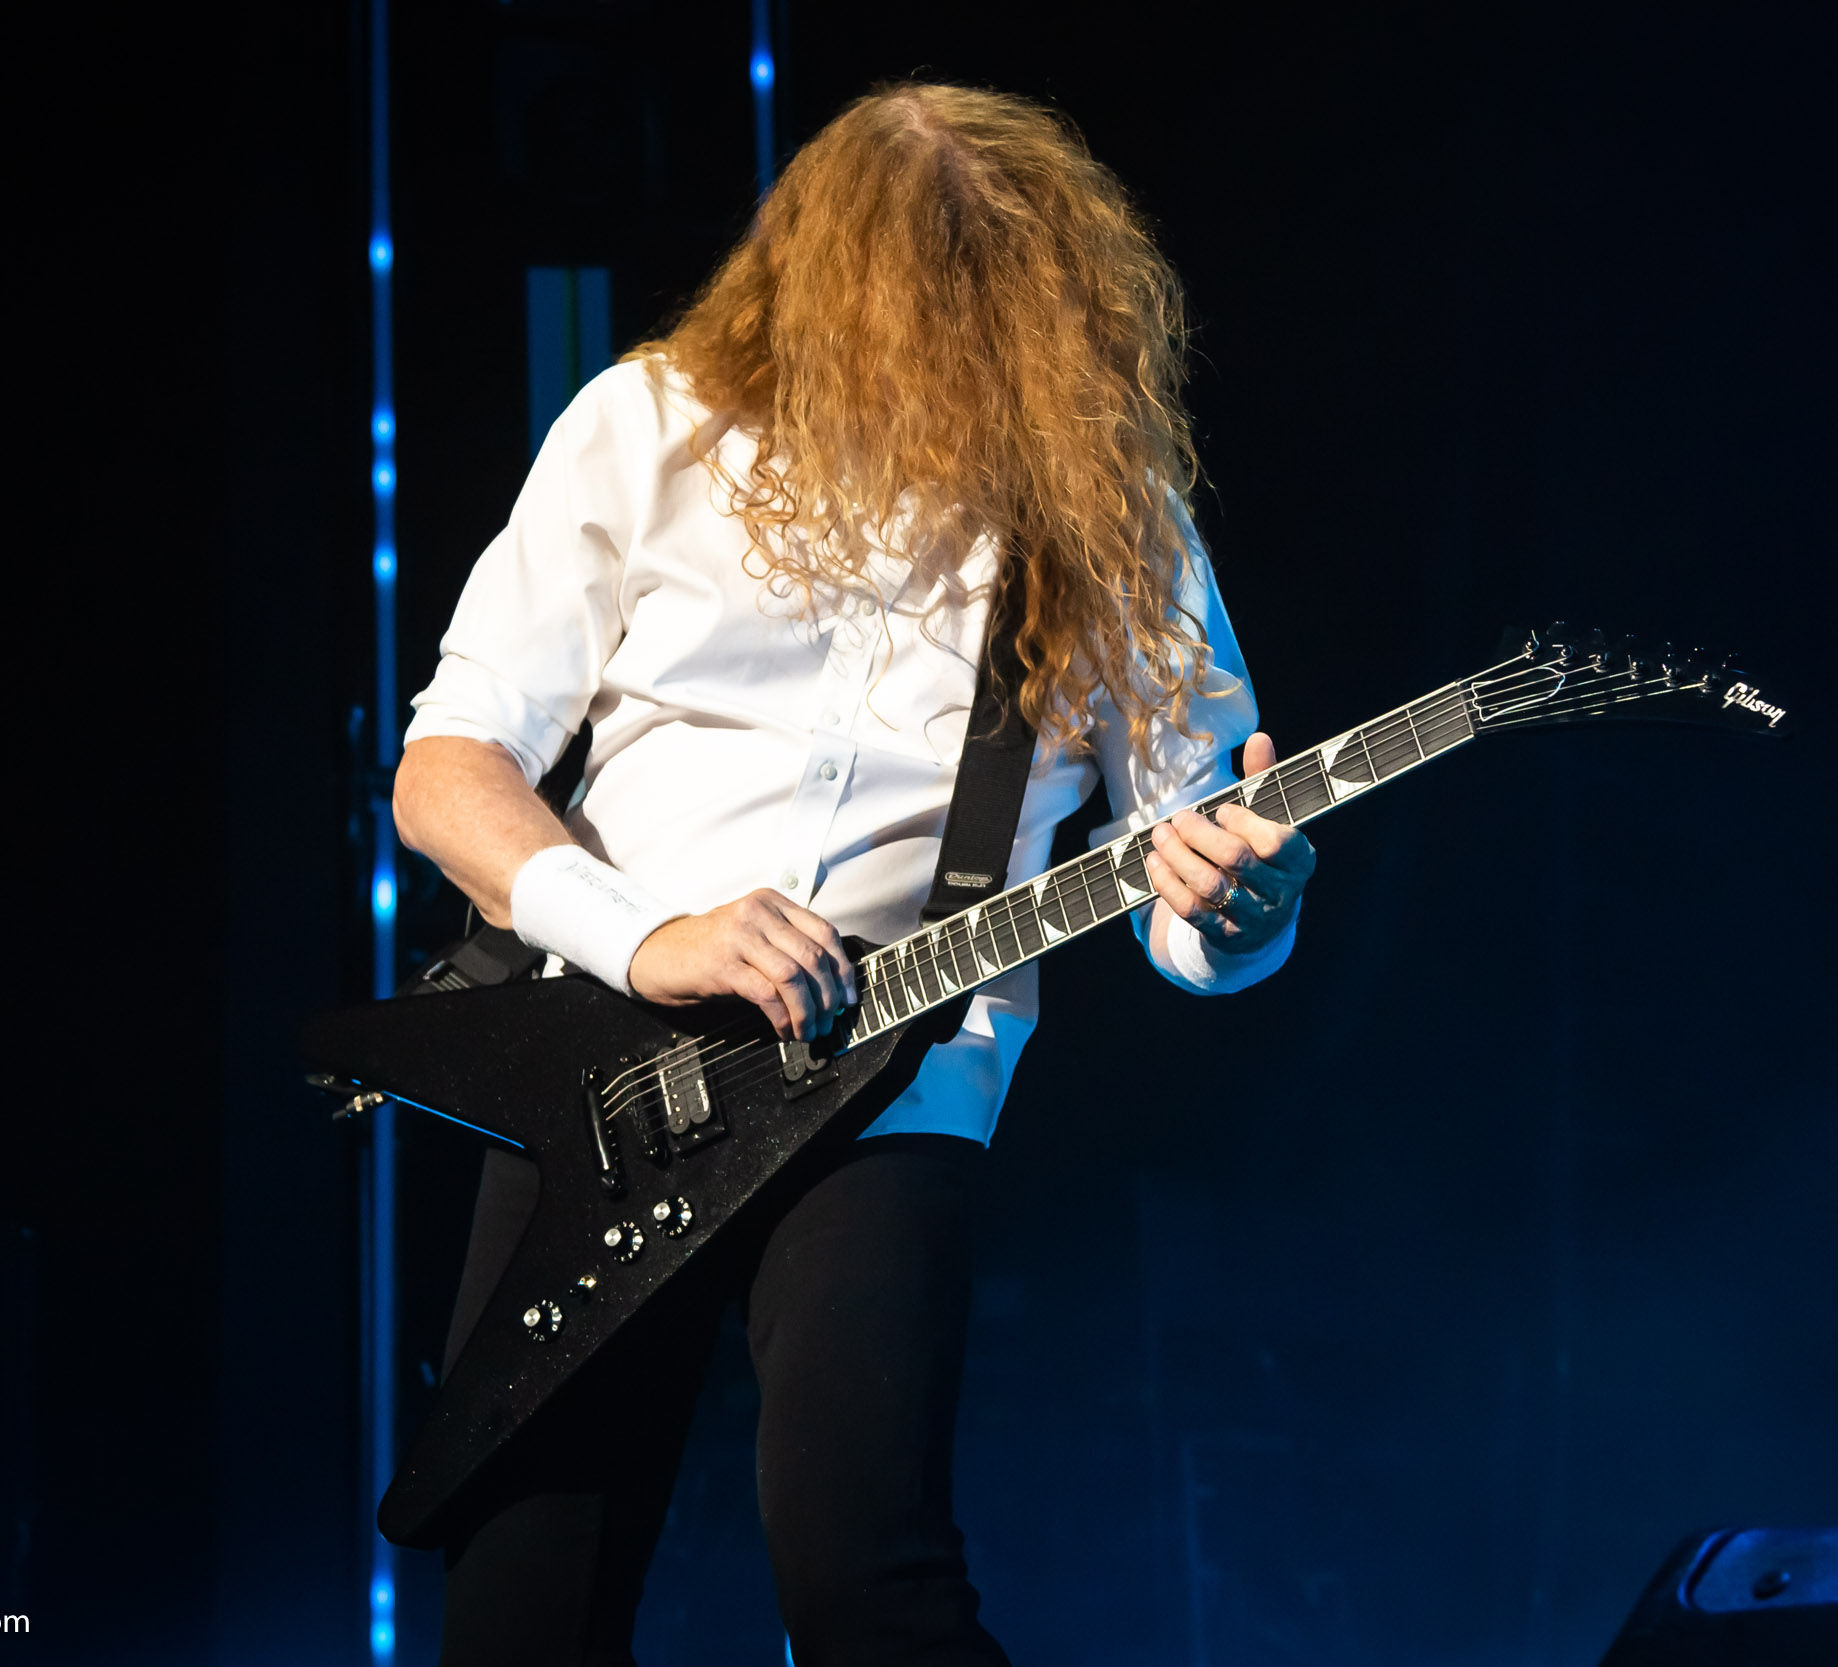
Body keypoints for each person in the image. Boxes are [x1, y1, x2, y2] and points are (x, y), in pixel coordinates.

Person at [391, 82, 1317, 1667]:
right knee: (521, 1606)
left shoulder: (1108, 515)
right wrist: (650, 935)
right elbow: (447, 770)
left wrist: (1244, 911)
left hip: (898, 1086)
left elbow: (1190, 860)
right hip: (598, 1069)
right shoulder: (645, 428)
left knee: (870, 1581)